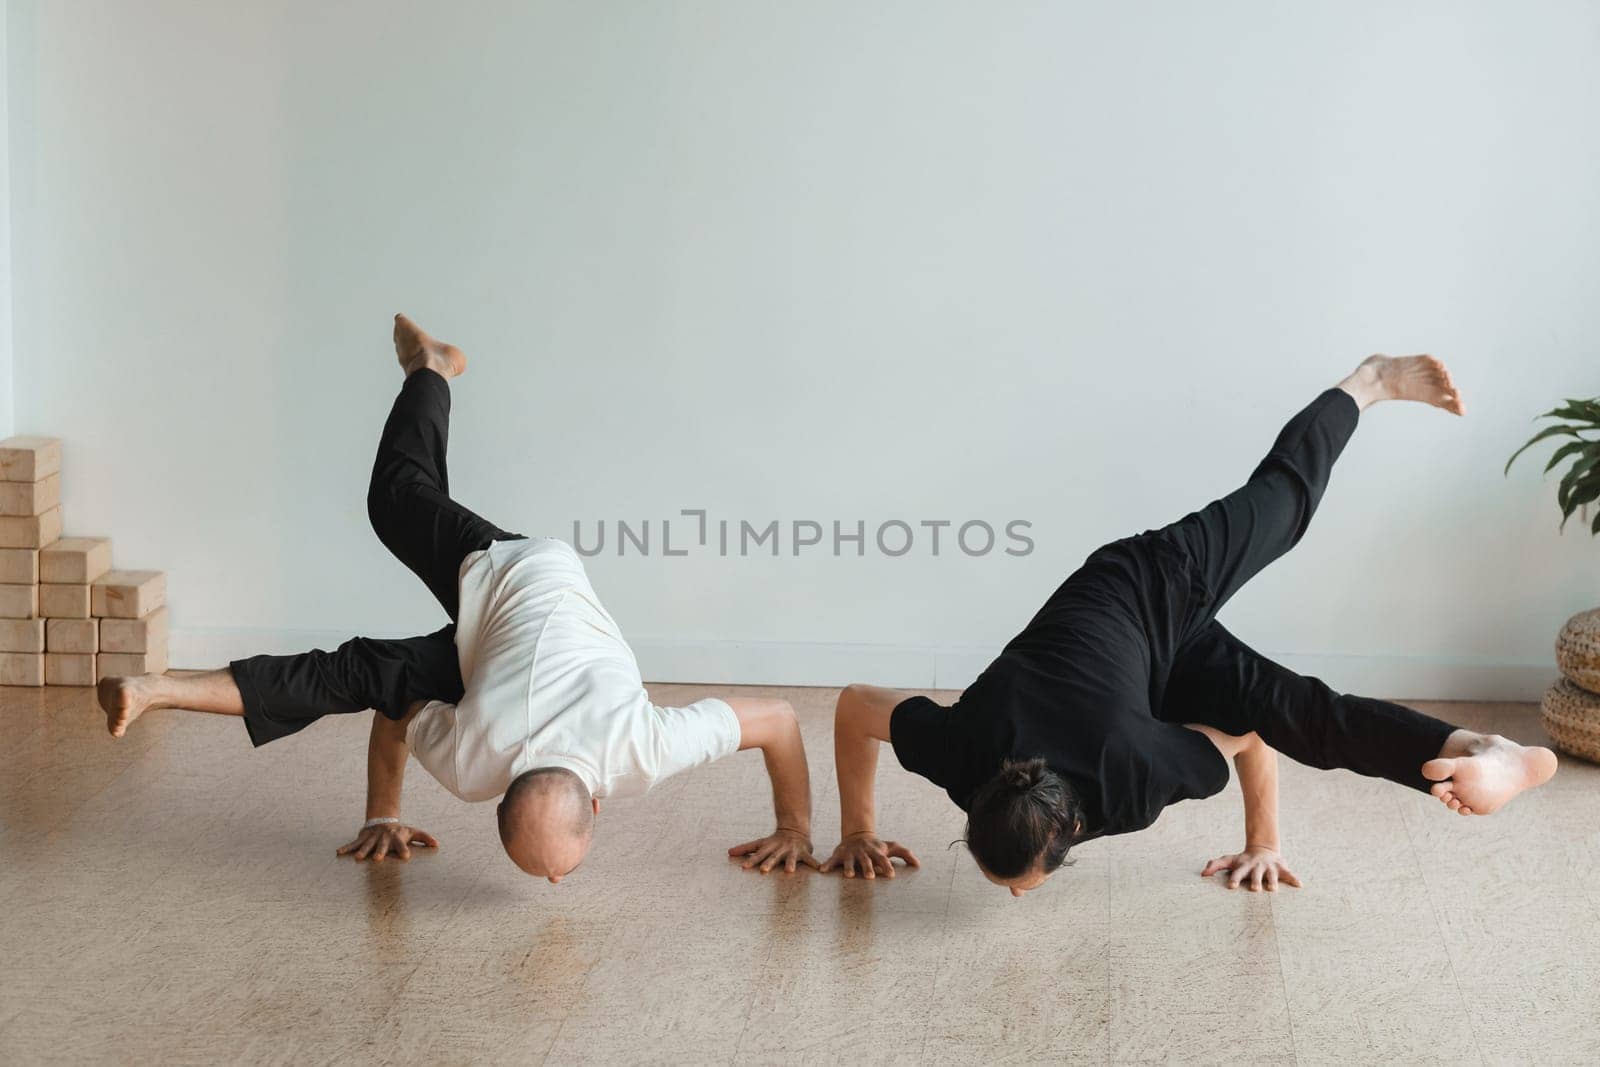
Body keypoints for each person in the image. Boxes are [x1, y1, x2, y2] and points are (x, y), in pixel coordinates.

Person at [98, 315, 818, 882]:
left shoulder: (523, 752)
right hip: (518, 576)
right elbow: (781, 717)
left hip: (490, 660)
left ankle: (155, 687)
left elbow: (778, 723)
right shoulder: (576, 752)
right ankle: (434, 366)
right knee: (396, 502)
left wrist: (385, 813)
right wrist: (796, 830)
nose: (555, 885)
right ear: (592, 805)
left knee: (356, 670)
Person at [819, 354, 1558, 895]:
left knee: (1285, 512)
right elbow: (856, 706)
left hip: (1149, 581)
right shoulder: (956, 753)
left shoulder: (1127, 778)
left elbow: (1244, 732)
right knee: (1314, 716)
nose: (1012, 891)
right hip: (1149, 673)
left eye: (1012, 880)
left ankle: (1368, 381)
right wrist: (856, 831)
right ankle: (1483, 745)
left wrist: (1260, 835)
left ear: (1072, 831)